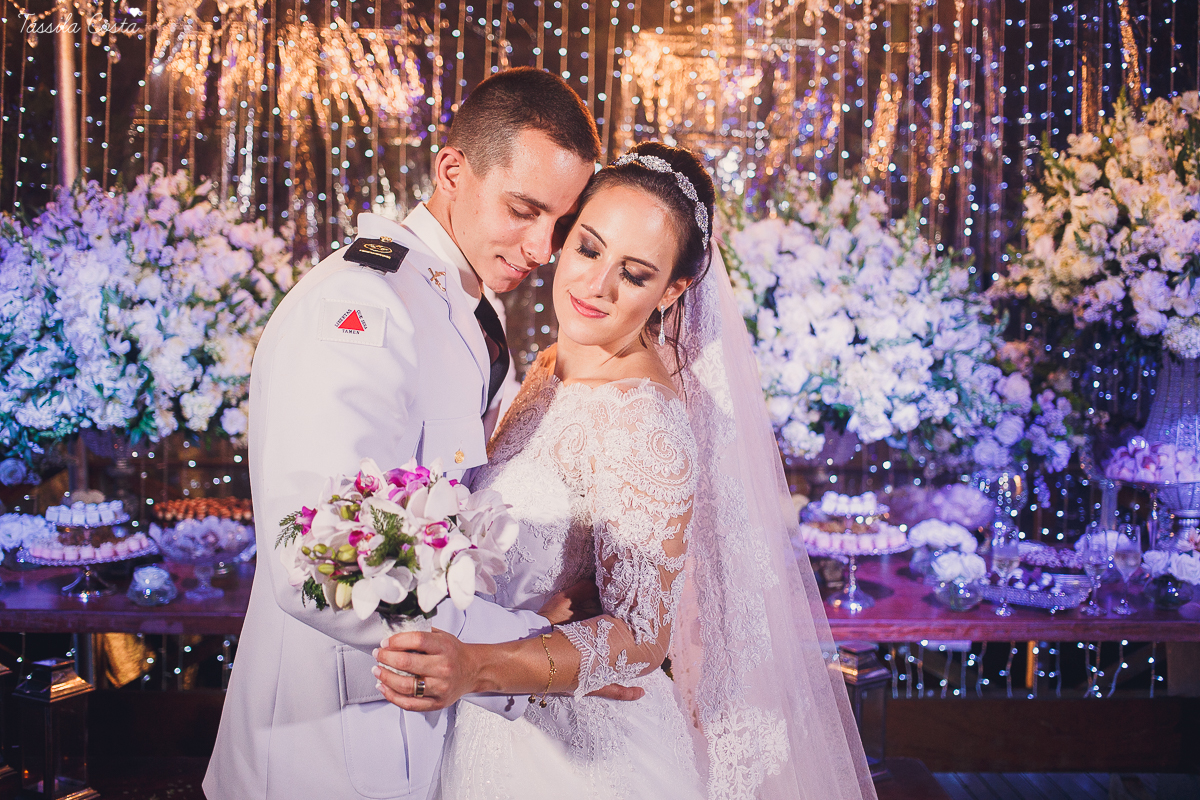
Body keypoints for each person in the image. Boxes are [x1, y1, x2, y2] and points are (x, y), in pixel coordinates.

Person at [373, 142, 879, 800]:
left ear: (672, 290)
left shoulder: (643, 420)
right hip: (490, 710)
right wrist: (523, 617)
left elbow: (640, 637)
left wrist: (479, 665)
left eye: (635, 274)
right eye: (588, 248)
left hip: (574, 755)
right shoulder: (556, 361)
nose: (597, 286)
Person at [203, 68, 641, 800]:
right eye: (523, 210)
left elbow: (452, 515)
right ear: (451, 170)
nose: (541, 248)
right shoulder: (360, 306)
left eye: (560, 224)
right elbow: (322, 561)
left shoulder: (467, 302)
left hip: (425, 719)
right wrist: (527, 655)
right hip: (330, 744)